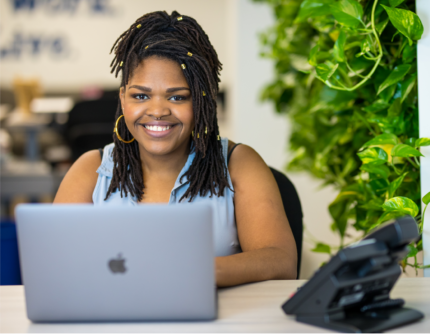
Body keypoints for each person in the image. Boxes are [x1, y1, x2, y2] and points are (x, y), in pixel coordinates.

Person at [54, 10, 297, 287]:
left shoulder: (238, 163)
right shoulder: (91, 170)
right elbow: (52, 266)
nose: (157, 111)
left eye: (177, 96)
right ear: (123, 99)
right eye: (141, 95)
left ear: (202, 102)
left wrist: (191, 272)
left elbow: (280, 261)